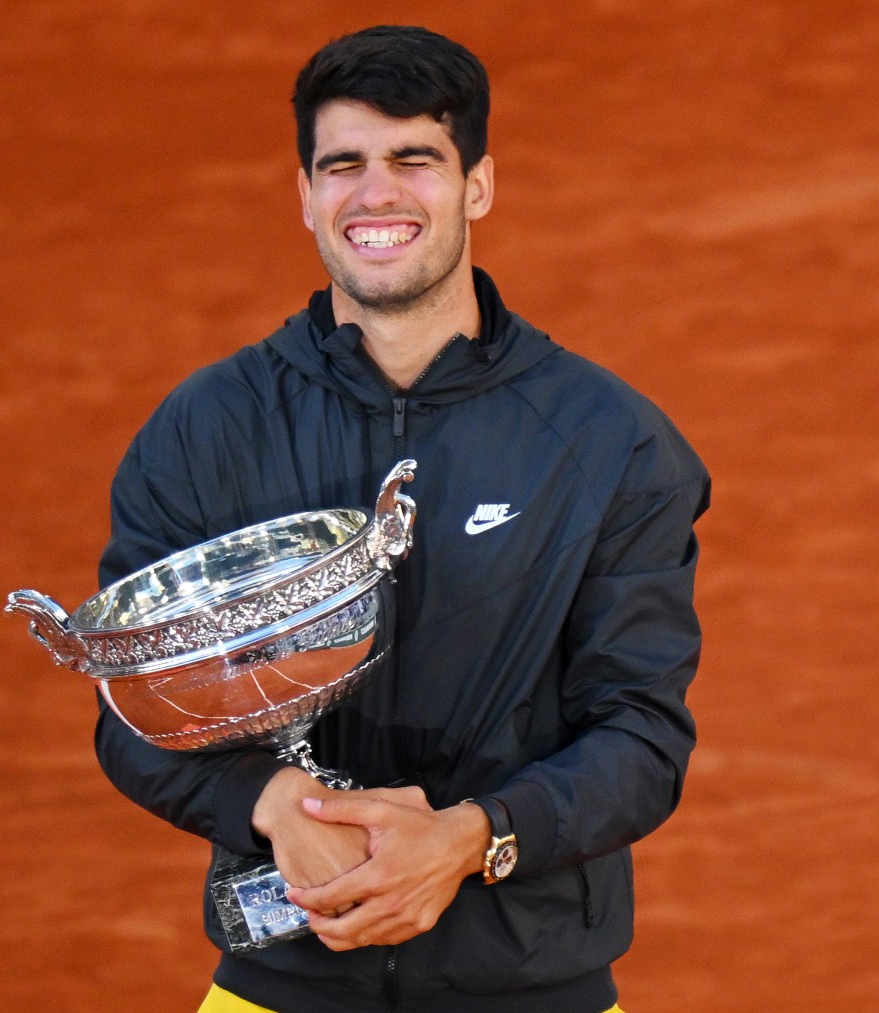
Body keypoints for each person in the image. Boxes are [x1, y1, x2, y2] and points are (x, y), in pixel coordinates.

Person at [94, 25, 709, 1013]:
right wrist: (273, 804)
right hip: (280, 980)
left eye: (413, 159)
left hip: (533, 982)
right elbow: (136, 709)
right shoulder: (206, 429)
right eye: (344, 164)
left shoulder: (610, 440)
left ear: (477, 184)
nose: (376, 194)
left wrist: (473, 835)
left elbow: (640, 735)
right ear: (304, 194)